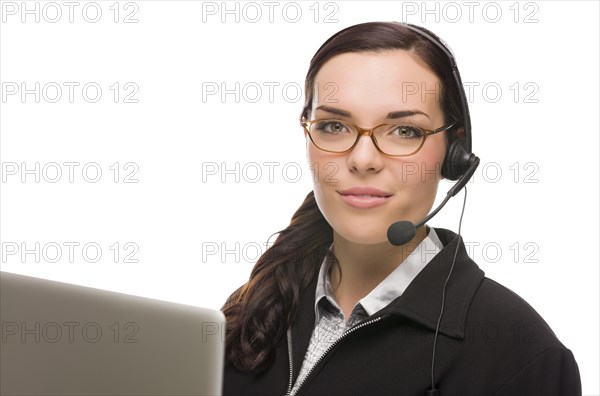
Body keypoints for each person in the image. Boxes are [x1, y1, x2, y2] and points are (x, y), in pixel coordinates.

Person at [221, 21, 581, 396]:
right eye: (333, 126)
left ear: (454, 155)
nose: (362, 159)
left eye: (404, 131)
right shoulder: (254, 310)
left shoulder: (521, 354)